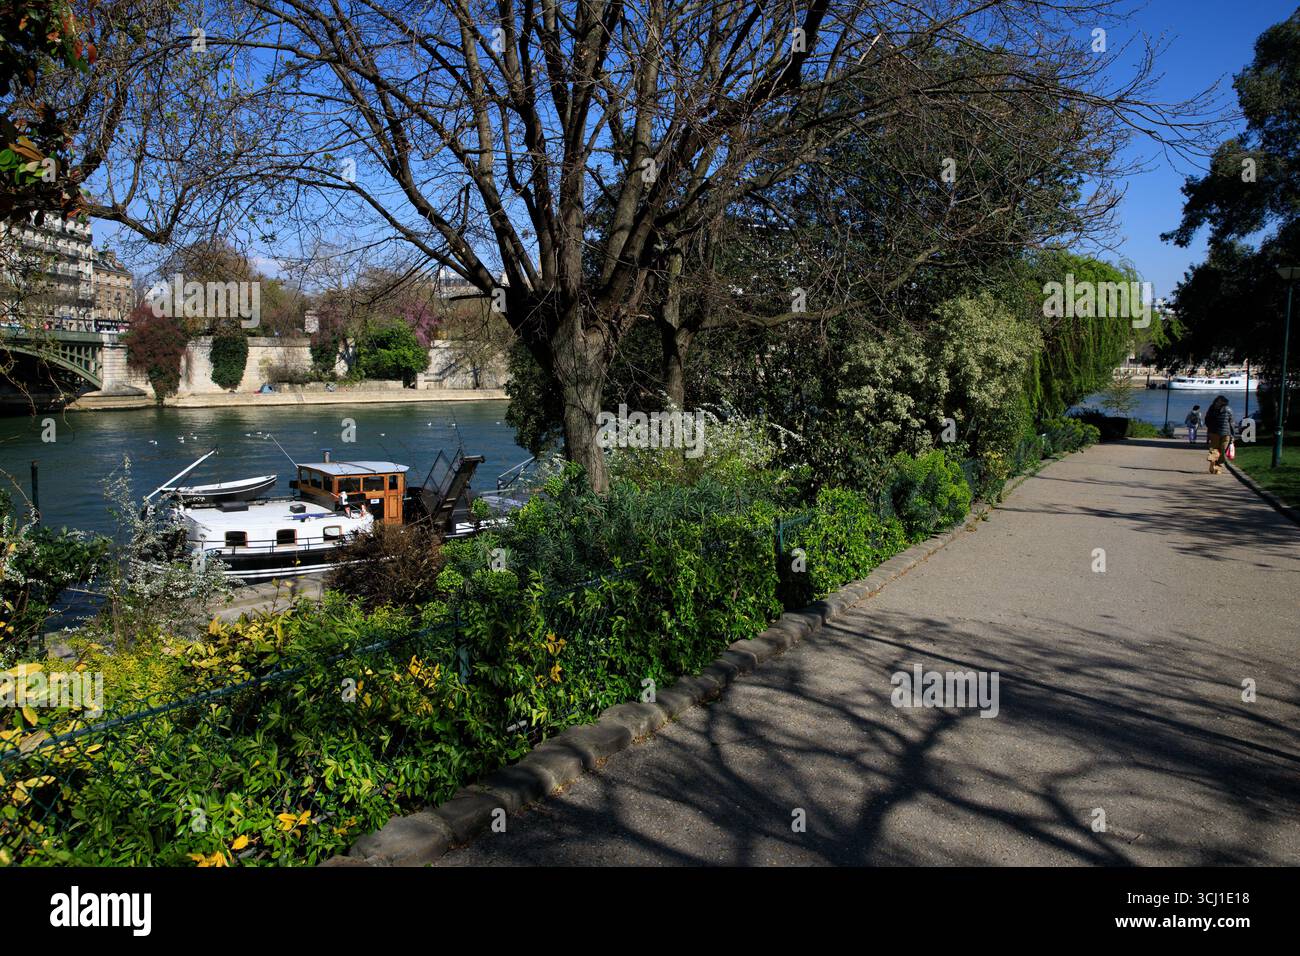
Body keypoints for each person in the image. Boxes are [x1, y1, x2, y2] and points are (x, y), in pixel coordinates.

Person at [1204, 395, 1234, 474]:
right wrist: (1232, 434)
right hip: (1224, 433)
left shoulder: (1212, 409)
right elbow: (1231, 423)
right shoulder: (1228, 410)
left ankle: (1214, 465)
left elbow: (1207, 420)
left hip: (1216, 432)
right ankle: (1217, 468)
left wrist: (1210, 428)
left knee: (1215, 449)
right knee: (1221, 450)